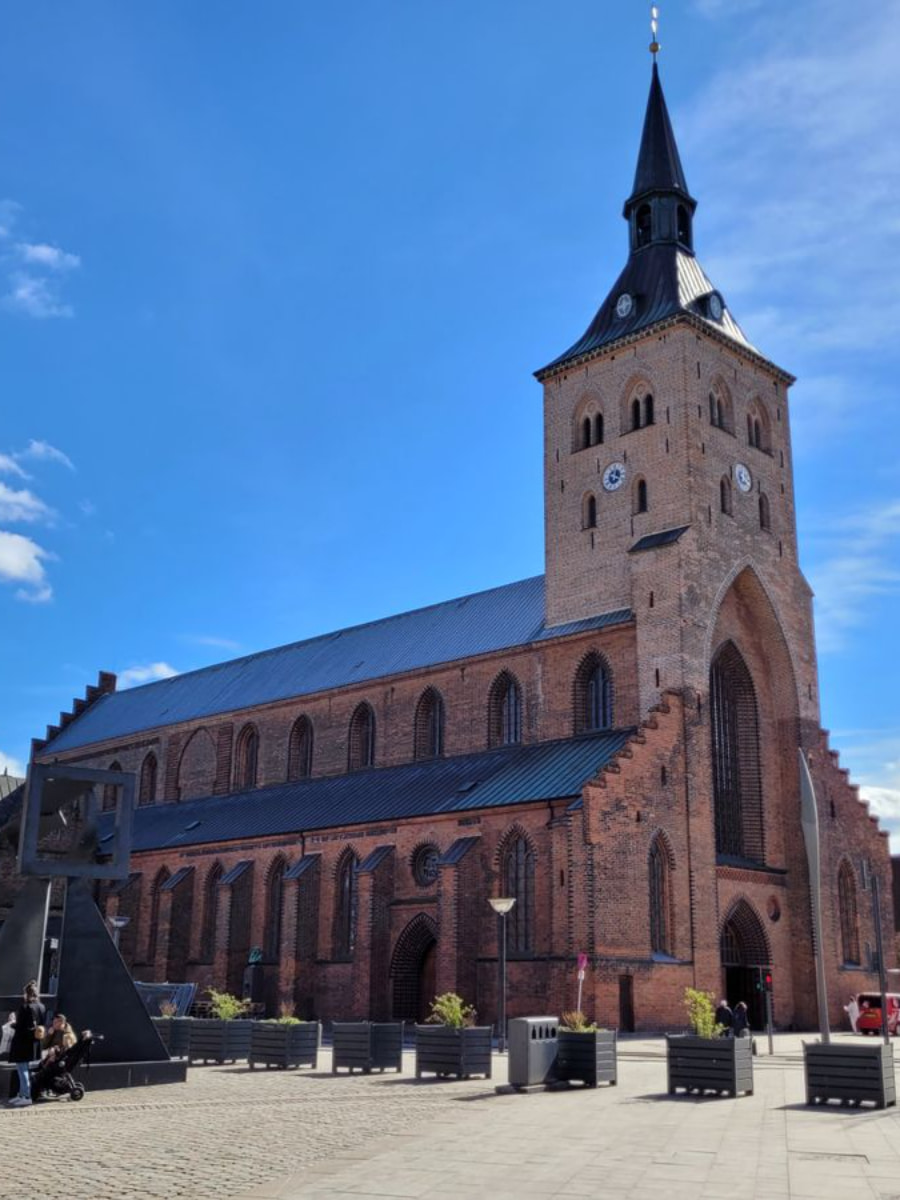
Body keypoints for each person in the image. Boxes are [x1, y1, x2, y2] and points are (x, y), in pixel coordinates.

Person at [7, 981, 46, 1108]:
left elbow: (20, 1027)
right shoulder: (41, 1006)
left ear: (26, 994)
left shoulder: (25, 1007)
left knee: (22, 1069)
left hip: (22, 1042)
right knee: (23, 1068)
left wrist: (12, 1022)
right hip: (34, 1042)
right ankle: (22, 1095)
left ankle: (26, 1096)